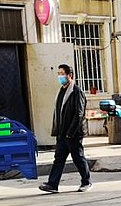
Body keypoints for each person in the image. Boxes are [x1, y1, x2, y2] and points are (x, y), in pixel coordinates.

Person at [39, 63, 93, 194]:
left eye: (62, 74)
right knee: (59, 159)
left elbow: (79, 114)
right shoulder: (61, 92)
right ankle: (52, 184)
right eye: (59, 74)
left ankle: (86, 182)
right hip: (62, 133)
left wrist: (70, 132)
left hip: (73, 133)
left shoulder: (76, 92)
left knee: (78, 158)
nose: (60, 76)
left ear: (70, 75)